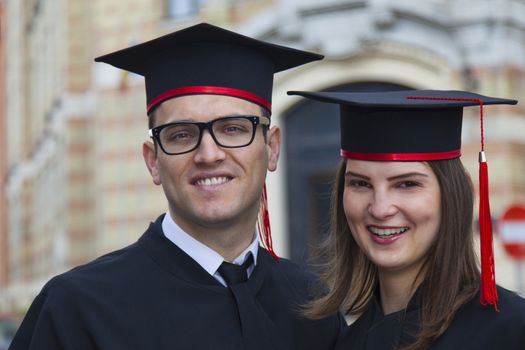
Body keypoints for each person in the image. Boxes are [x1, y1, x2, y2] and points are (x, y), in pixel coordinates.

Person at [10, 23, 343, 350]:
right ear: (153, 161)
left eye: (233, 129)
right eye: (181, 134)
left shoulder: (313, 304)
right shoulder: (77, 310)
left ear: (271, 147)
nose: (209, 154)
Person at [288, 89, 525, 349]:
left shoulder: (511, 331)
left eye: (407, 184)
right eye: (360, 183)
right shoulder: (344, 344)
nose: (380, 209)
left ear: (459, 192)